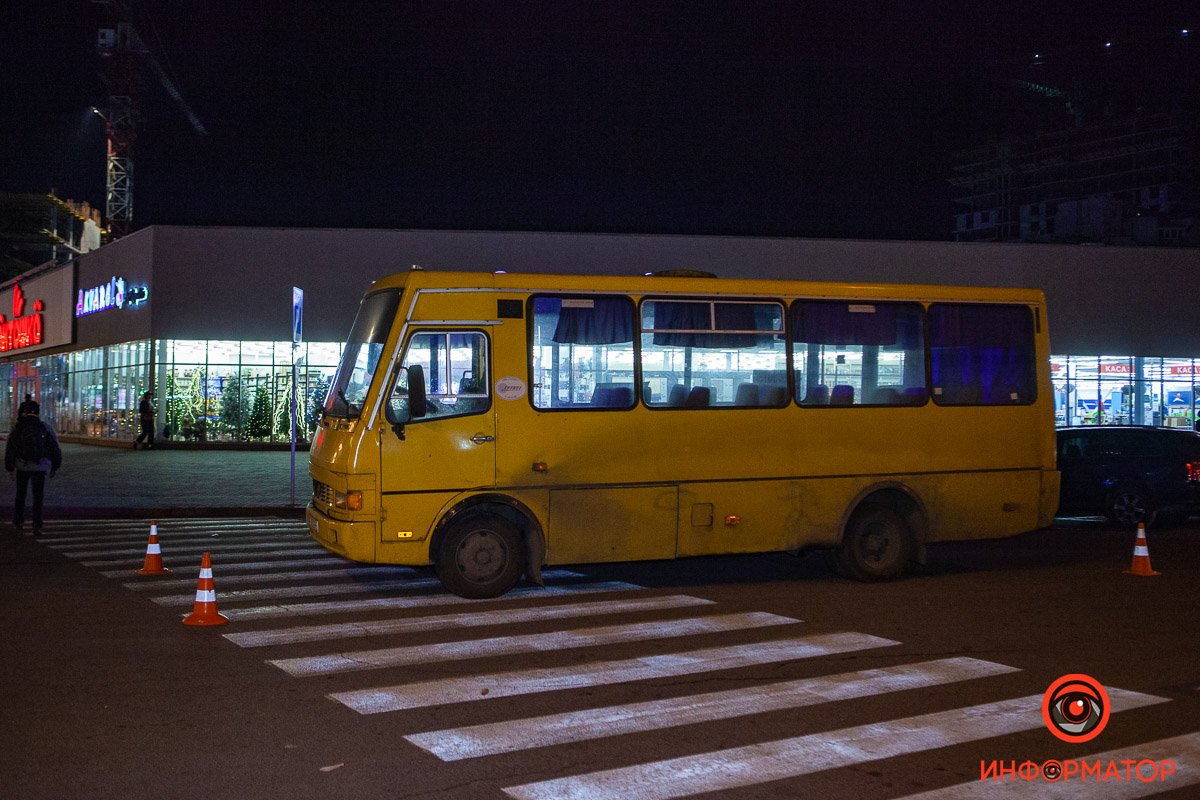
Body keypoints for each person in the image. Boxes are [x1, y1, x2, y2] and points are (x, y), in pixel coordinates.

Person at [4, 401, 62, 535]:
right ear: (38, 412)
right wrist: (54, 467)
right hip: (39, 467)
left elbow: (10, 449)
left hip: (22, 466)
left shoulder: (18, 428)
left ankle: (18, 522)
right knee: (38, 496)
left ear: (25, 412)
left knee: (20, 495)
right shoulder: (44, 427)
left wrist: (10, 469)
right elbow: (55, 448)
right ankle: (36, 524)